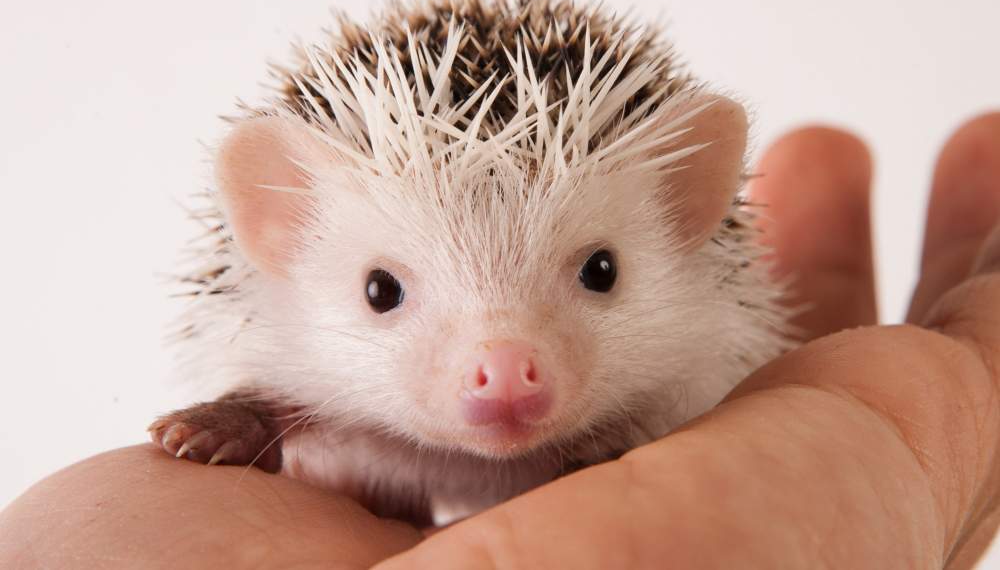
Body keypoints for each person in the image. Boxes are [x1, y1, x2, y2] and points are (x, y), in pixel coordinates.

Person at [2, 115, 999, 569]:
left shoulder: (696, 359)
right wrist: (246, 418)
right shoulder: (281, 367)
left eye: (596, 273)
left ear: (682, 215)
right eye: (386, 292)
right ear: (277, 230)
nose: (502, 368)